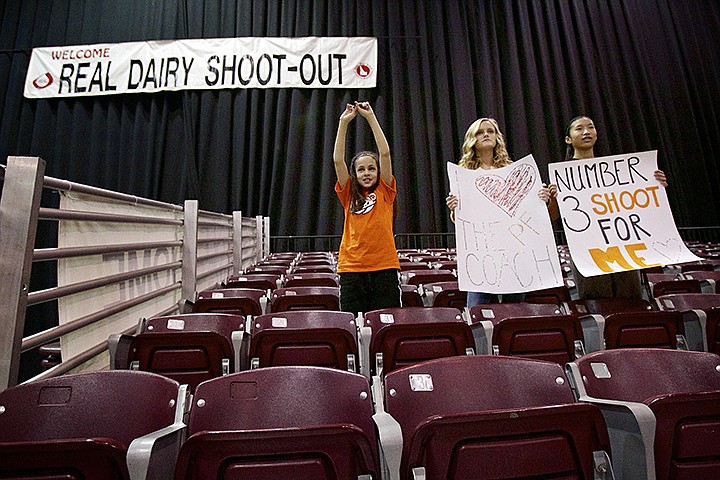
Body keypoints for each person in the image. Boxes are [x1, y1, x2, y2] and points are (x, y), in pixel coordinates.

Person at [547, 115, 668, 299]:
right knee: (597, 302)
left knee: (632, 299)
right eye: (579, 128)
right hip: (588, 251)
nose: (586, 132)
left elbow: (637, 204)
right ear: (568, 139)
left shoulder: (616, 170)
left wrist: (656, 185)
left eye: (591, 127)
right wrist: (553, 199)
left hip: (624, 249)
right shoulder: (561, 174)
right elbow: (554, 216)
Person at [446, 118, 551, 307]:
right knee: (476, 308)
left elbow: (526, 210)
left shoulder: (513, 171)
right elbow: (460, 221)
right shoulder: (462, 174)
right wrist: (455, 209)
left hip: (514, 250)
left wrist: (541, 197)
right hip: (482, 254)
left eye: (490, 131)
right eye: (480, 132)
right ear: (472, 139)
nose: (486, 134)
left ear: (497, 137)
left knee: (516, 309)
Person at [333, 101, 401, 314]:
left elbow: (385, 153)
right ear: (355, 174)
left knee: (386, 323)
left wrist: (370, 117)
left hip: (384, 268)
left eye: (371, 168)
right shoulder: (348, 193)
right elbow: (337, 161)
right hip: (352, 269)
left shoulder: (385, 190)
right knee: (355, 322)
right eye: (361, 169)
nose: (367, 173)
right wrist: (343, 123)